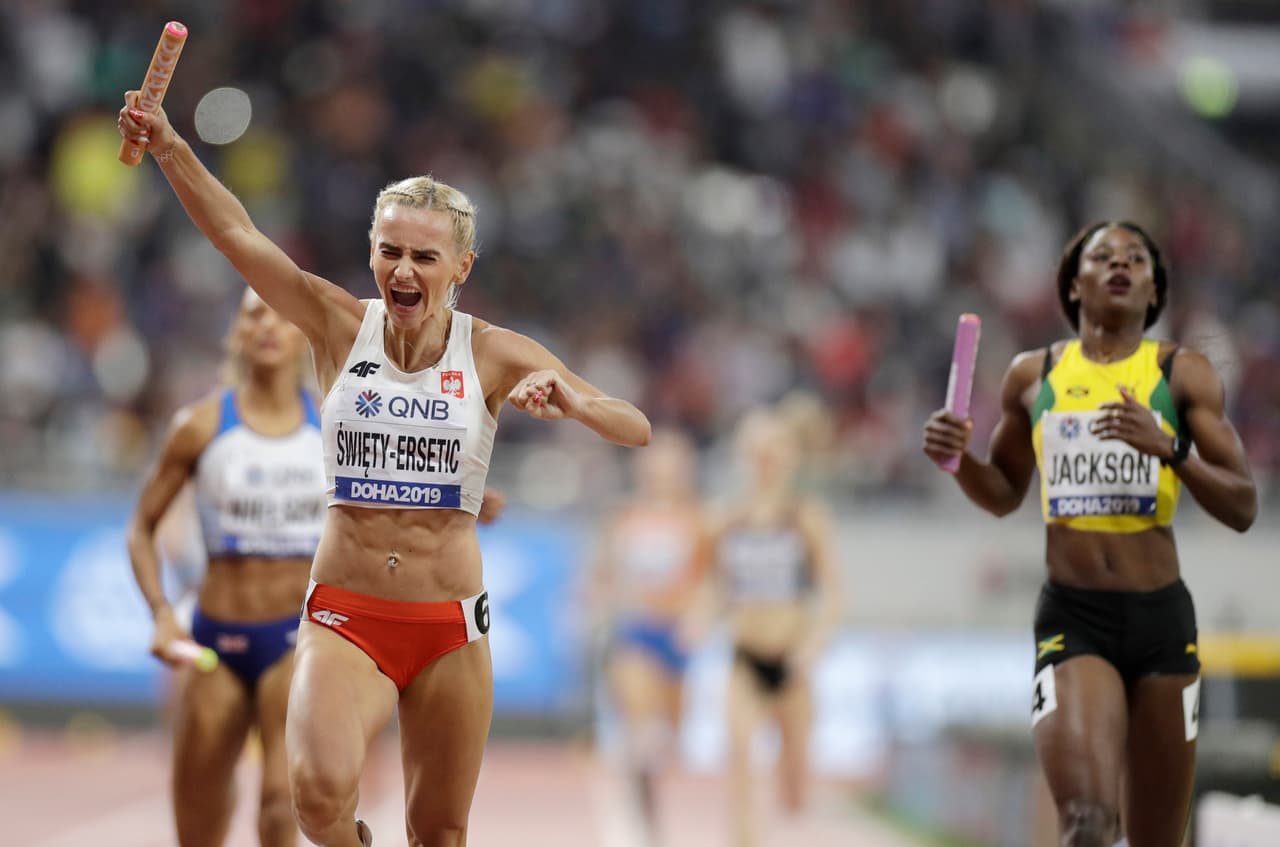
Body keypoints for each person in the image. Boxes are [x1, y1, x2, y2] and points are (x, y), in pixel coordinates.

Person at [119, 90, 650, 847]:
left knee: (439, 832)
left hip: (449, 627)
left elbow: (635, 425)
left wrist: (571, 401)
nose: (403, 270)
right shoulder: (338, 324)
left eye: (424, 256)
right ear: (372, 251)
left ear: (461, 266)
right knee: (318, 796)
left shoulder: (494, 351)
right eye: (390, 251)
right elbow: (235, 233)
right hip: (346, 615)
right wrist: (170, 145)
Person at [922, 221, 1257, 847]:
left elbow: (1243, 506)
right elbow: (1002, 494)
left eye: (1136, 258)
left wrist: (1168, 448)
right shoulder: (1034, 375)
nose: (1120, 264)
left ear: (1154, 289)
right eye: (1102, 257)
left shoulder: (1184, 376)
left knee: (1159, 839)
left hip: (1163, 625)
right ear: (1074, 284)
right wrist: (960, 458)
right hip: (1074, 621)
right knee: (1087, 824)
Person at [127, 288, 323, 847]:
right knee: (198, 814)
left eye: (281, 314)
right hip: (215, 640)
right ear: (236, 332)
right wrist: (162, 614)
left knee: (281, 807)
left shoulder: (333, 427)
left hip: (296, 638)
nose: (267, 324)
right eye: (253, 313)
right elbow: (141, 527)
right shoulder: (201, 426)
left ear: (303, 333)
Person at [705, 408, 843, 847]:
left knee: (794, 789)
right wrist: (698, 617)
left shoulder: (805, 517)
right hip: (745, 659)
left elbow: (834, 591)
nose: (763, 460)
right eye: (755, 452)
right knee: (741, 765)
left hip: (793, 665)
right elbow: (716, 586)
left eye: (771, 451)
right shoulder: (728, 518)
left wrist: (815, 645)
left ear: (789, 458)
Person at [590, 428, 708, 845]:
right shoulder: (624, 516)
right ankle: (642, 827)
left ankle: (648, 806)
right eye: (656, 464)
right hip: (634, 631)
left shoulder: (698, 519)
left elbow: (710, 581)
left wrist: (700, 616)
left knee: (667, 745)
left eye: (671, 465)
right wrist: (593, 600)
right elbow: (602, 573)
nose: (662, 473)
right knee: (642, 735)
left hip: (676, 638)